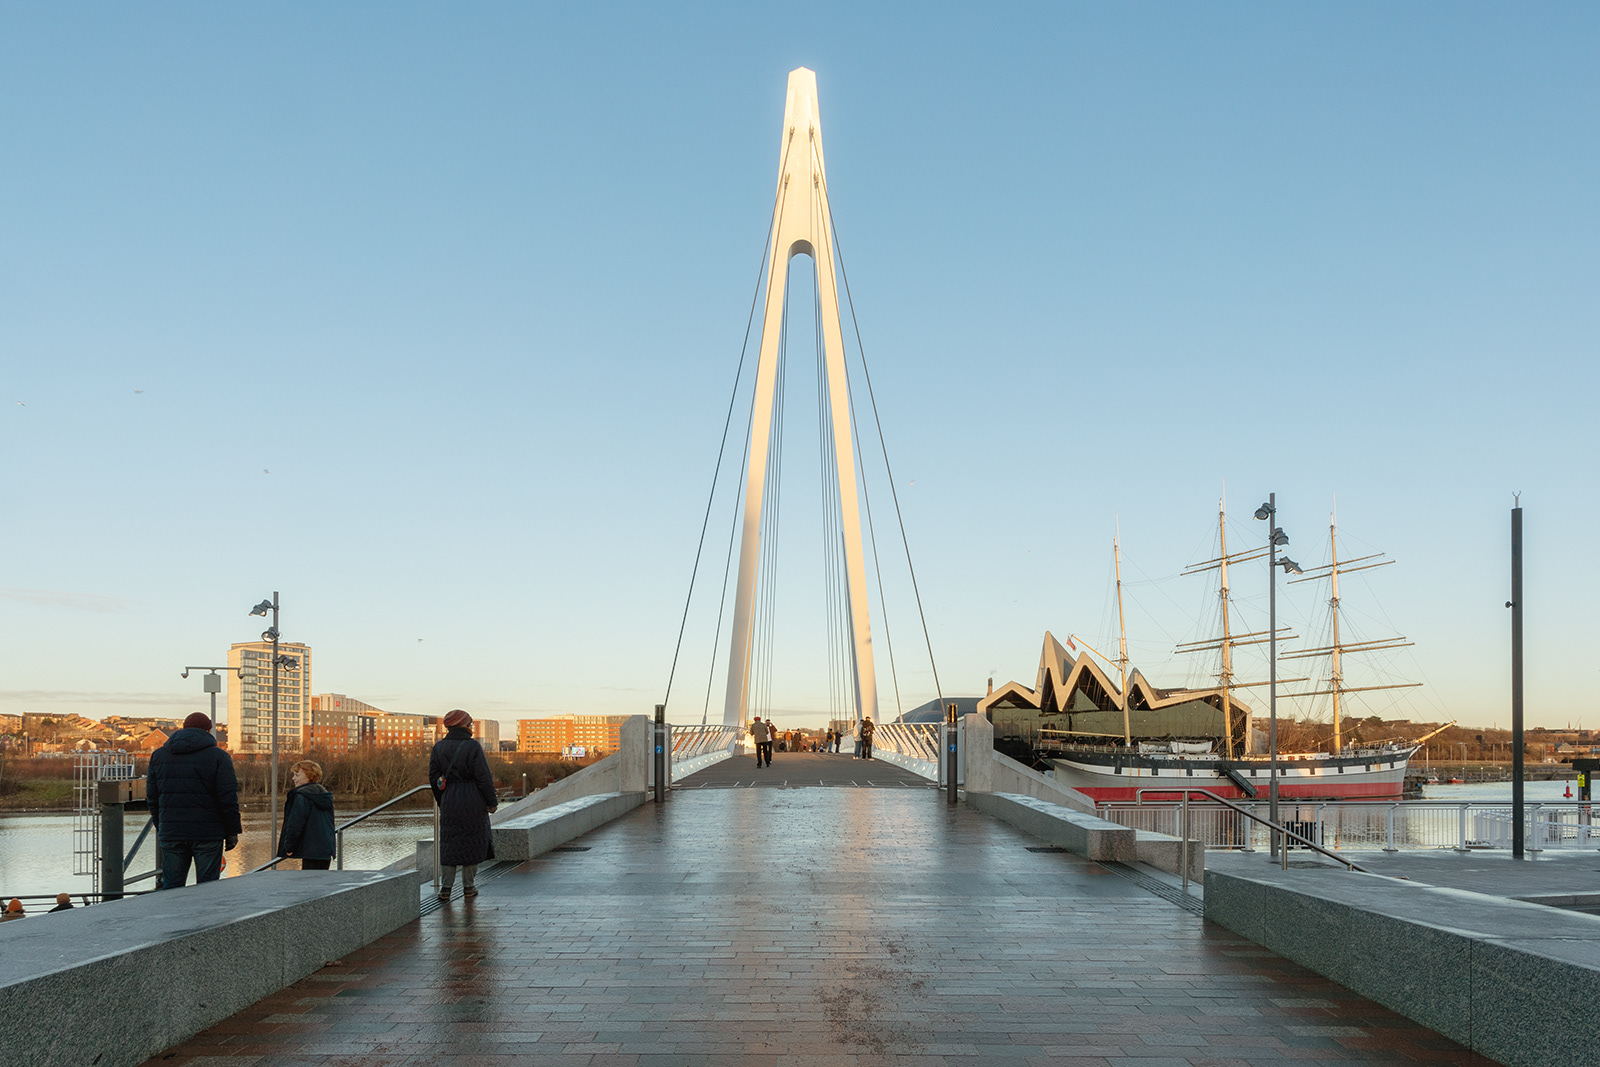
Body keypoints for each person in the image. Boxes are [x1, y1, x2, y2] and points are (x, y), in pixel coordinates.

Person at [147, 712, 241, 889]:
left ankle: (173, 917)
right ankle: (207, 917)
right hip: (208, 833)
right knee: (207, 889)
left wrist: (162, 826)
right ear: (209, 730)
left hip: (172, 831)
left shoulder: (159, 756)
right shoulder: (219, 757)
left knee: (172, 888)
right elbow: (227, 798)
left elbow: (152, 797)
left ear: (183, 728)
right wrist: (231, 831)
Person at [429, 709, 498, 902]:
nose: (472, 727)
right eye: (470, 724)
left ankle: (446, 889)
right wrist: (491, 802)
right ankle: (469, 886)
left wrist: (443, 799)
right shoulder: (473, 747)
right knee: (472, 843)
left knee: (450, 845)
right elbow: (483, 777)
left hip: (450, 800)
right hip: (473, 800)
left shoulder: (439, 747)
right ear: (464, 725)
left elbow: (434, 778)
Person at [277, 760, 336, 870]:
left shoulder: (302, 796)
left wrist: (289, 846)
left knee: (309, 884)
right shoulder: (323, 794)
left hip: (310, 849)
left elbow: (295, 824)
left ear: (309, 776)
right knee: (321, 883)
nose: (293, 778)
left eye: (297, 775)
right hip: (325, 849)